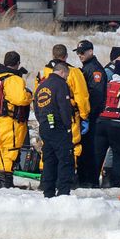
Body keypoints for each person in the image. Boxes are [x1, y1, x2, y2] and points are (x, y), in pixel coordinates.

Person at [38, 44, 90, 175]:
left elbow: (38, 95)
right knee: (72, 145)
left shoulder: (43, 72)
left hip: (47, 116)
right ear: (66, 56)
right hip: (68, 115)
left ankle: (47, 176)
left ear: (52, 55)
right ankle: (67, 176)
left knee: (48, 146)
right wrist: (84, 116)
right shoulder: (73, 72)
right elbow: (81, 96)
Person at [0, 51, 31, 189]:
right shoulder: (14, 80)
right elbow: (20, 99)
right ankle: (5, 182)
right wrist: (29, 94)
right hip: (9, 122)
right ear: (18, 63)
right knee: (9, 151)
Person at [34, 61, 76, 197]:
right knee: (65, 159)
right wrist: (68, 126)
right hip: (58, 126)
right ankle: (63, 192)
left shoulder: (41, 85)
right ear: (63, 72)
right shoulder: (61, 85)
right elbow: (64, 107)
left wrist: (43, 121)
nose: (67, 78)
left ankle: (48, 192)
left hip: (45, 125)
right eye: (67, 75)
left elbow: (36, 107)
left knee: (49, 159)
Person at [75, 40, 107, 187]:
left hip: (92, 116)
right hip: (86, 116)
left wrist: (87, 115)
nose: (80, 55)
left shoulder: (94, 69)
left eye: (83, 52)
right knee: (85, 149)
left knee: (90, 150)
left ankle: (90, 181)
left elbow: (96, 95)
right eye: (78, 52)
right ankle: (84, 179)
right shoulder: (86, 67)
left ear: (91, 51)